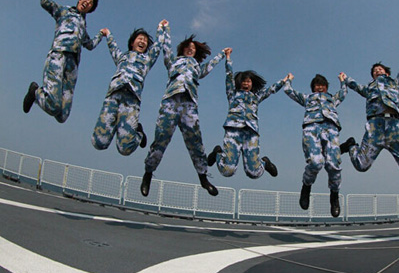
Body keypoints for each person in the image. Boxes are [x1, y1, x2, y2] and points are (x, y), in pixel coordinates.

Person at [141, 20, 230, 197]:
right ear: (182, 49)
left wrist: (222, 54)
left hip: (189, 105)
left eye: (193, 48)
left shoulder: (198, 67)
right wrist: (163, 30)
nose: (191, 49)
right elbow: (165, 48)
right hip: (171, 103)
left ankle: (203, 177)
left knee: (195, 142)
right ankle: (148, 173)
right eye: (188, 47)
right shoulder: (173, 61)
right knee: (160, 139)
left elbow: (211, 65)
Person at [23, 0, 103, 123]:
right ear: (80, 0)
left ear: (90, 10)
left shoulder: (83, 28)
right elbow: (45, 2)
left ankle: (40, 98)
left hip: (72, 68)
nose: (87, 2)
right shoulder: (64, 11)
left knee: (62, 115)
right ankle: (35, 93)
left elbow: (90, 45)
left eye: (90, 3)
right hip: (58, 57)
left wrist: (100, 35)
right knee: (53, 106)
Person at [207, 50, 291, 180]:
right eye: (243, 81)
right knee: (227, 171)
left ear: (252, 84)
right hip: (233, 131)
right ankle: (217, 153)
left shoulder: (256, 97)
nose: (246, 83)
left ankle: (265, 163)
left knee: (254, 173)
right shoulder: (232, 94)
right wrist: (228, 57)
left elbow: (271, 90)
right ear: (239, 83)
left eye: (248, 82)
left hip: (251, 133)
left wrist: (285, 80)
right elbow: (229, 76)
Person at [91, 22, 165, 155]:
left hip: (131, 101)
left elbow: (158, 47)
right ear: (132, 43)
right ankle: (112, 128)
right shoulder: (122, 57)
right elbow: (113, 47)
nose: (142, 41)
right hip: (113, 97)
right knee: (98, 143)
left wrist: (160, 29)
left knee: (125, 149)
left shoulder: (147, 59)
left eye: (145, 41)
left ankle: (138, 134)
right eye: (140, 39)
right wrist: (108, 34)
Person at [283, 73, 348, 217]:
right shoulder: (308, 98)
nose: (319, 87)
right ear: (313, 88)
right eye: (316, 85)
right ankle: (306, 187)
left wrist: (342, 81)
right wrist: (289, 80)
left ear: (326, 88)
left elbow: (343, 93)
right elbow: (289, 91)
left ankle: (334, 195)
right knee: (315, 162)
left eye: (322, 85)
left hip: (331, 129)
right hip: (312, 128)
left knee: (333, 164)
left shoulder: (332, 99)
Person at [339, 55, 399, 173]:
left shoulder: (395, 84)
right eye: (375, 71)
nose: (377, 71)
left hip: (394, 126)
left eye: (380, 69)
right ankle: (351, 145)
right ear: (373, 75)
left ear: (387, 73)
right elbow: (356, 86)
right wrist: (345, 78)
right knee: (361, 166)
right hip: (375, 127)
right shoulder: (369, 88)